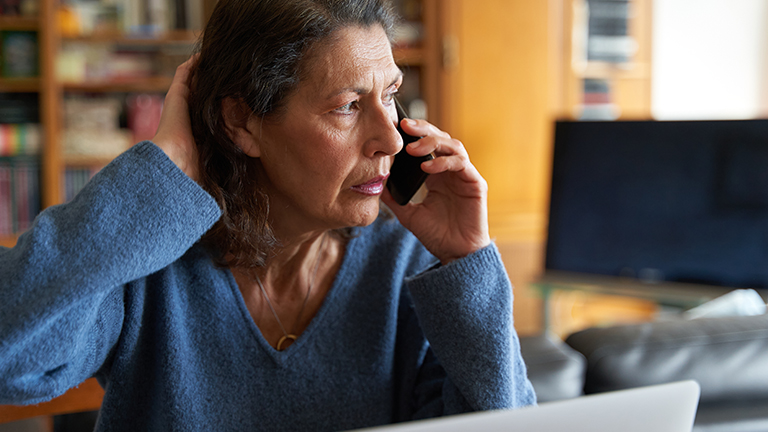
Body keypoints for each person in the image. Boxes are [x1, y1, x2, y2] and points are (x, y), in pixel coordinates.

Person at [0, 0, 536, 430]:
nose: (391, 136)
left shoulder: (409, 264)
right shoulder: (149, 262)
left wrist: (469, 263)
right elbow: (10, 357)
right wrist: (162, 170)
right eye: (348, 105)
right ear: (241, 123)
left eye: (391, 94)